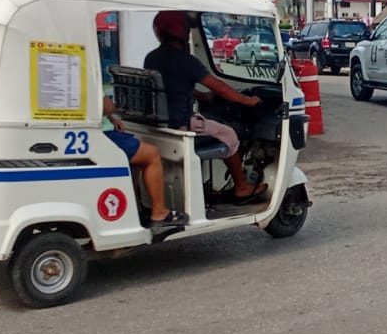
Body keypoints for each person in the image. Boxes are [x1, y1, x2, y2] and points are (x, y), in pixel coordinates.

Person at [145, 11, 269, 203]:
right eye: (187, 30)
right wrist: (248, 101)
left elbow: (169, 87)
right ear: (181, 32)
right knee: (229, 135)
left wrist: (201, 96)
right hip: (180, 126)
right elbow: (219, 87)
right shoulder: (186, 61)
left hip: (161, 125)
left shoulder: (152, 57)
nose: (188, 34)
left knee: (212, 125)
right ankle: (242, 187)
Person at [102, 68, 189, 227]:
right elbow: (106, 106)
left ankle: (136, 209)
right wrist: (112, 108)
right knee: (152, 154)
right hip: (103, 136)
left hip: (96, 132)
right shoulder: (80, 70)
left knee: (135, 164)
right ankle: (159, 213)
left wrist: (112, 118)